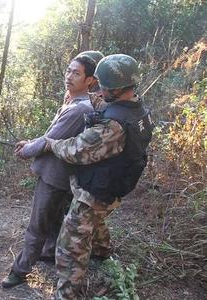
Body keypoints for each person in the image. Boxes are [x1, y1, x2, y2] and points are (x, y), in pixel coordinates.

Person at [45, 54, 154, 299]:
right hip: (113, 187)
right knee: (98, 222)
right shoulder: (137, 110)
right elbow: (109, 109)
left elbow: (77, 150)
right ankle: (103, 253)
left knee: (70, 248)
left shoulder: (113, 126)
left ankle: (68, 294)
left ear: (117, 88)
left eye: (104, 86)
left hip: (94, 193)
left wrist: (51, 144)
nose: (100, 89)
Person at [1, 54, 102, 289]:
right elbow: (52, 134)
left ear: (90, 80)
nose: (69, 76)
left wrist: (27, 150)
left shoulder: (79, 109)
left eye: (76, 73)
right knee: (53, 219)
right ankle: (47, 253)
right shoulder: (75, 102)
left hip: (56, 177)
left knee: (37, 225)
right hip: (60, 176)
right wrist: (30, 142)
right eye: (68, 71)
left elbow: (51, 139)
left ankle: (20, 270)